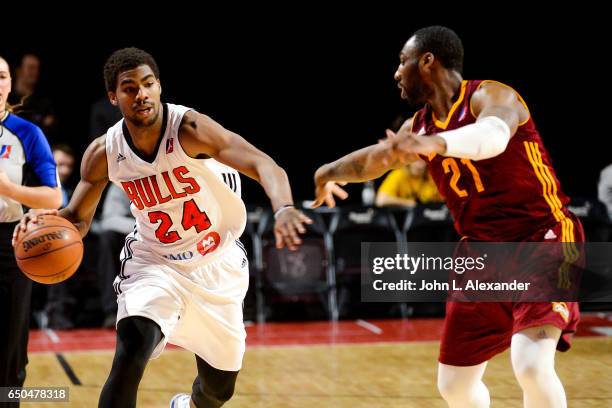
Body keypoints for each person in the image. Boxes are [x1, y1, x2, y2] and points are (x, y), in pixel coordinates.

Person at [12, 47, 312, 408]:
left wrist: (284, 208)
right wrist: (42, 223)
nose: (141, 94)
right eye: (129, 88)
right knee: (132, 348)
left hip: (217, 262)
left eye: (148, 84)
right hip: (155, 263)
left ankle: (186, 404)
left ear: (158, 87)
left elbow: (264, 164)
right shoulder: (104, 152)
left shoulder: (189, 129)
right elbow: (77, 217)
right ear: (113, 96)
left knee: (218, 390)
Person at [312, 26, 583, 408]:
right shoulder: (418, 126)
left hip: (541, 239)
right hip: (481, 255)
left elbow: (493, 136)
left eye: (401, 62)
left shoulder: (491, 95)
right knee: (454, 384)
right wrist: (327, 172)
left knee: (532, 365)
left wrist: (437, 144)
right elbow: (373, 161)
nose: (396, 73)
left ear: (427, 61)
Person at [0, 55, 61, 407]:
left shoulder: (27, 133)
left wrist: (10, 190)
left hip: (9, 244)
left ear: (10, 83)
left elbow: (52, 196)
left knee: (9, 355)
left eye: (2, 76)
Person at [7, 54, 57, 139]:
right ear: (19, 70)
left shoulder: (44, 103)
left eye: (37, 69)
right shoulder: (5, 98)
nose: (35, 72)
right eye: (31, 68)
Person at [375, 158, 443, 207]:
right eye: (416, 155)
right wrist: (408, 203)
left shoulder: (433, 176)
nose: (420, 158)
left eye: (423, 155)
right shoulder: (399, 175)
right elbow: (381, 200)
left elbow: (444, 201)